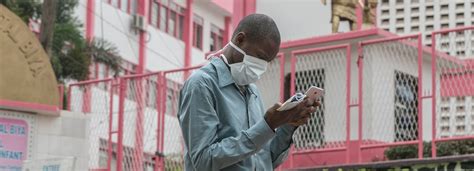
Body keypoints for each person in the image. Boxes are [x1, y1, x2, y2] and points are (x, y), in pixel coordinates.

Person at [178, 14, 320, 171]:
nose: (261, 66)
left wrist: (287, 124)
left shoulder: (252, 91)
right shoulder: (202, 85)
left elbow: (265, 160)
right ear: (240, 40)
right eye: (260, 57)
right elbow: (203, 161)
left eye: (267, 62)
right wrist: (267, 125)